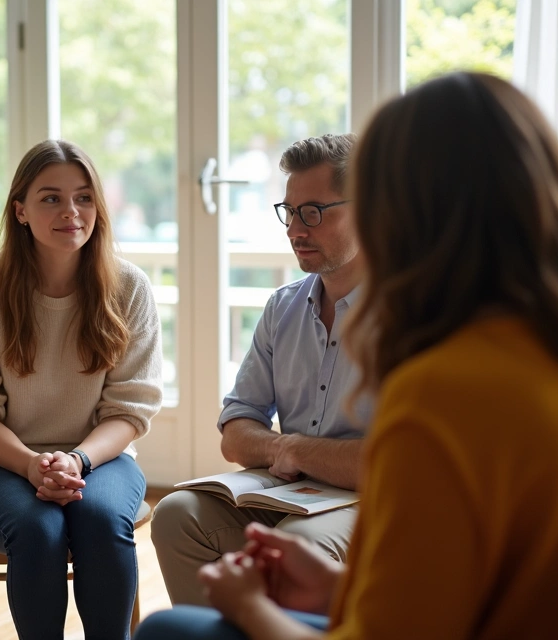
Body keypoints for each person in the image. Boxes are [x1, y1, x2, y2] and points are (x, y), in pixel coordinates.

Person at [134, 72, 558, 640]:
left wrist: (248, 607)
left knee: (169, 632)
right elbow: (490, 586)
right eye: (290, 212)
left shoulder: (440, 387)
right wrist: (341, 586)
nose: (297, 228)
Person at [0, 139, 164, 640]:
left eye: (84, 197)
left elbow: (130, 409)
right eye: (51, 198)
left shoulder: (129, 287)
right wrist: (29, 464)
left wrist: (76, 461)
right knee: (39, 527)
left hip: (96, 458)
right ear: (20, 210)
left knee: (102, 520)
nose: (71, 211)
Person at [152, 133, 371, 607]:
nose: (295, 229)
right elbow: (235, 433)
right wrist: (287, 450)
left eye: (313, 211)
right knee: (175, 513)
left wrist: (292, 448)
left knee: (301, 544)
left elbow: (389, 466)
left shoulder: (413, 317)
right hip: (292, 489)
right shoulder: (283, 307)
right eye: (289, 212)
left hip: (368, 503)